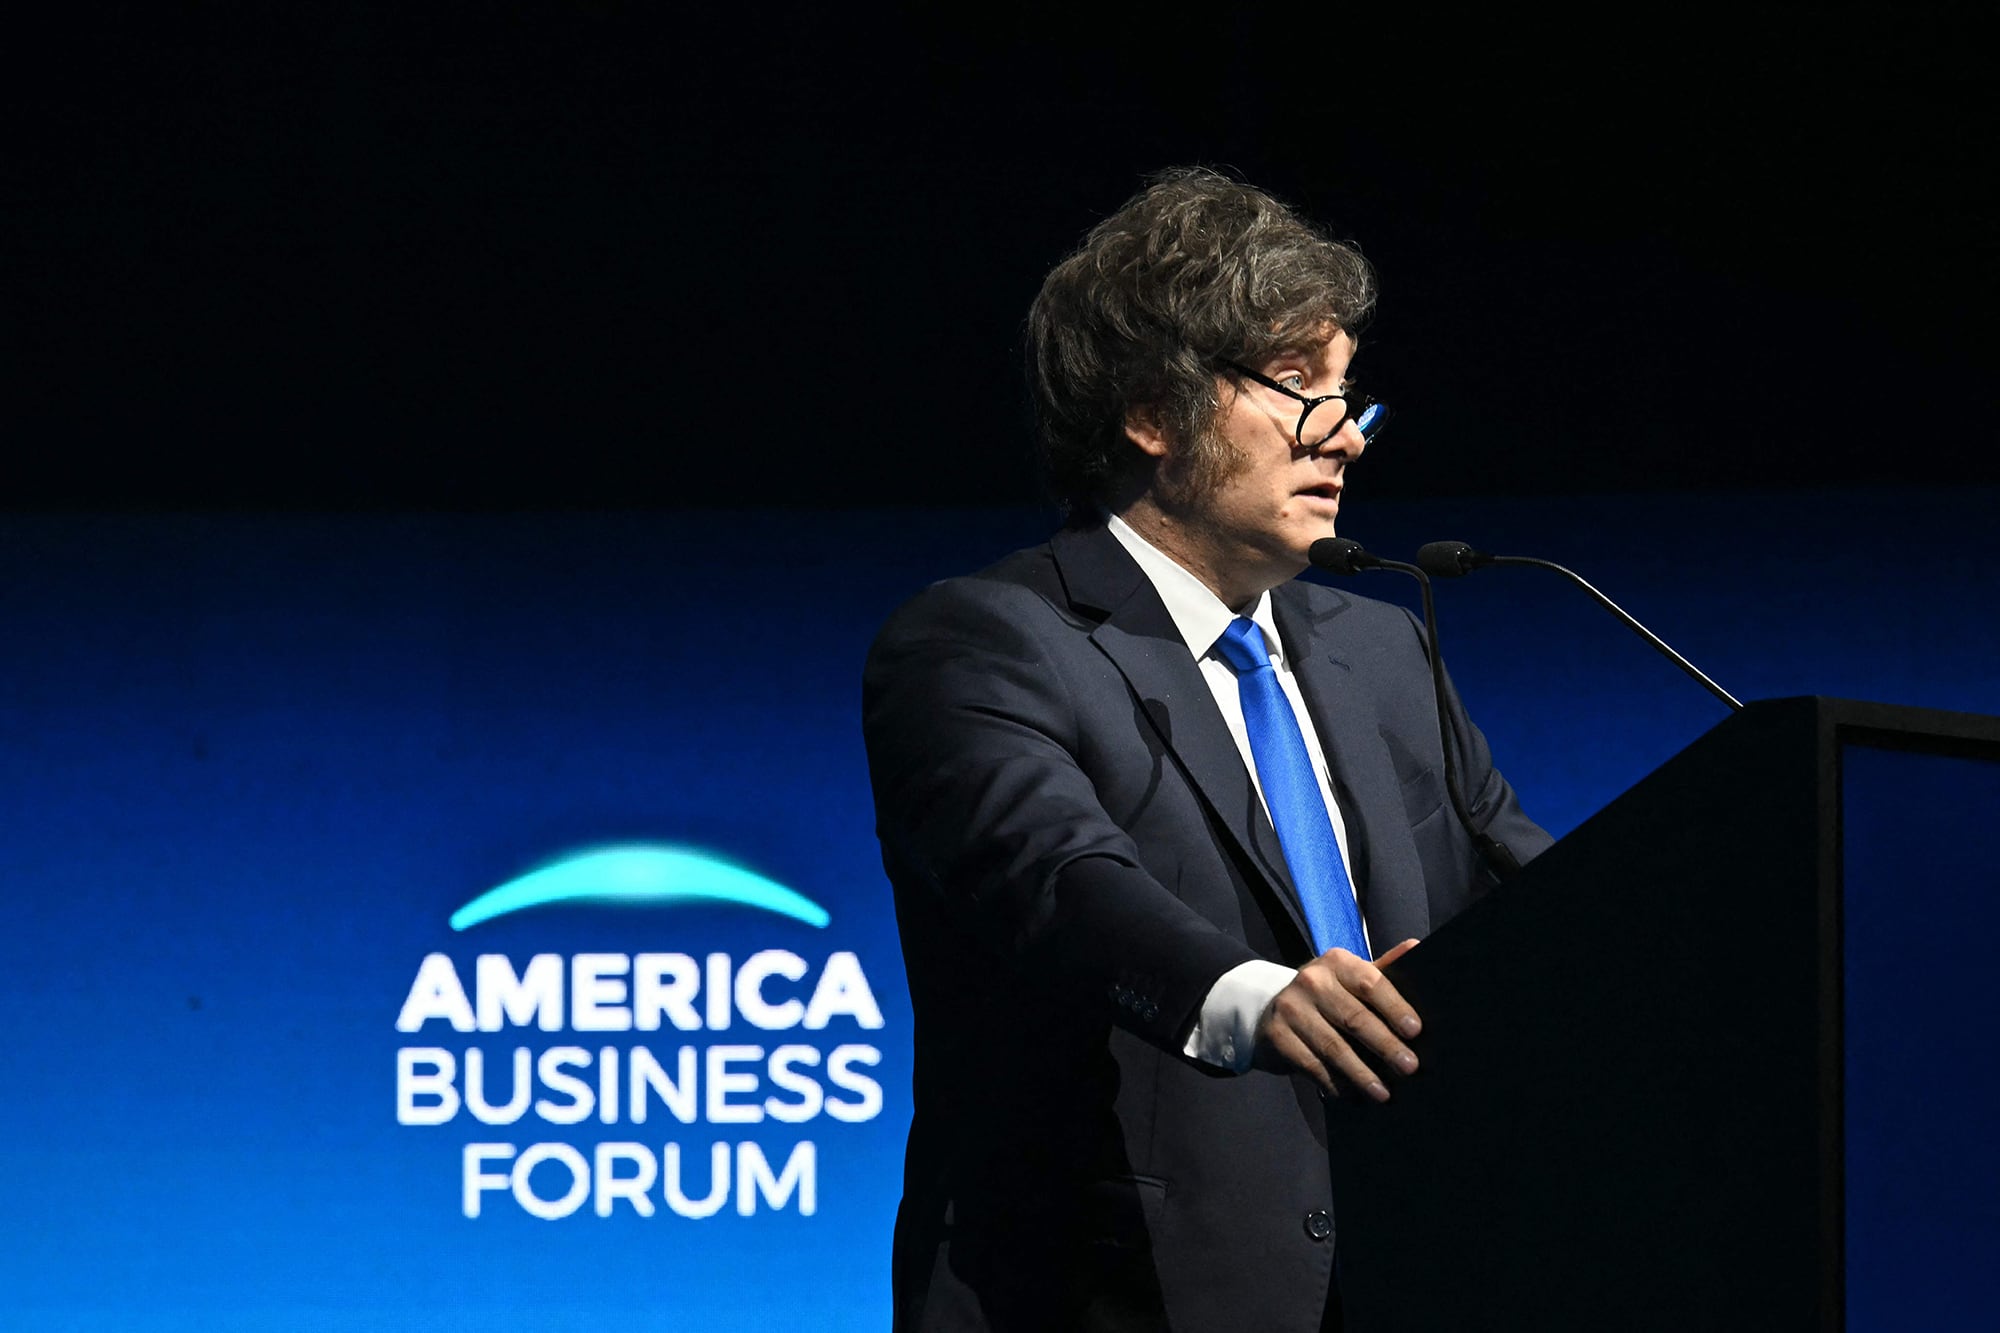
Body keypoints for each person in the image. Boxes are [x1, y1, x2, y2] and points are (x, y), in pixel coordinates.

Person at [862, 168, 1551, 1333]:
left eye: (1348, 394)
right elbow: (1057, 880)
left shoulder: (1382, 650)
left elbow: (1536, 886)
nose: (1344, 435)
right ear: (1150, 410)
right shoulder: (982, 642)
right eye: (1295, 387)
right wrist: (1252, 997)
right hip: (1115, 1298)